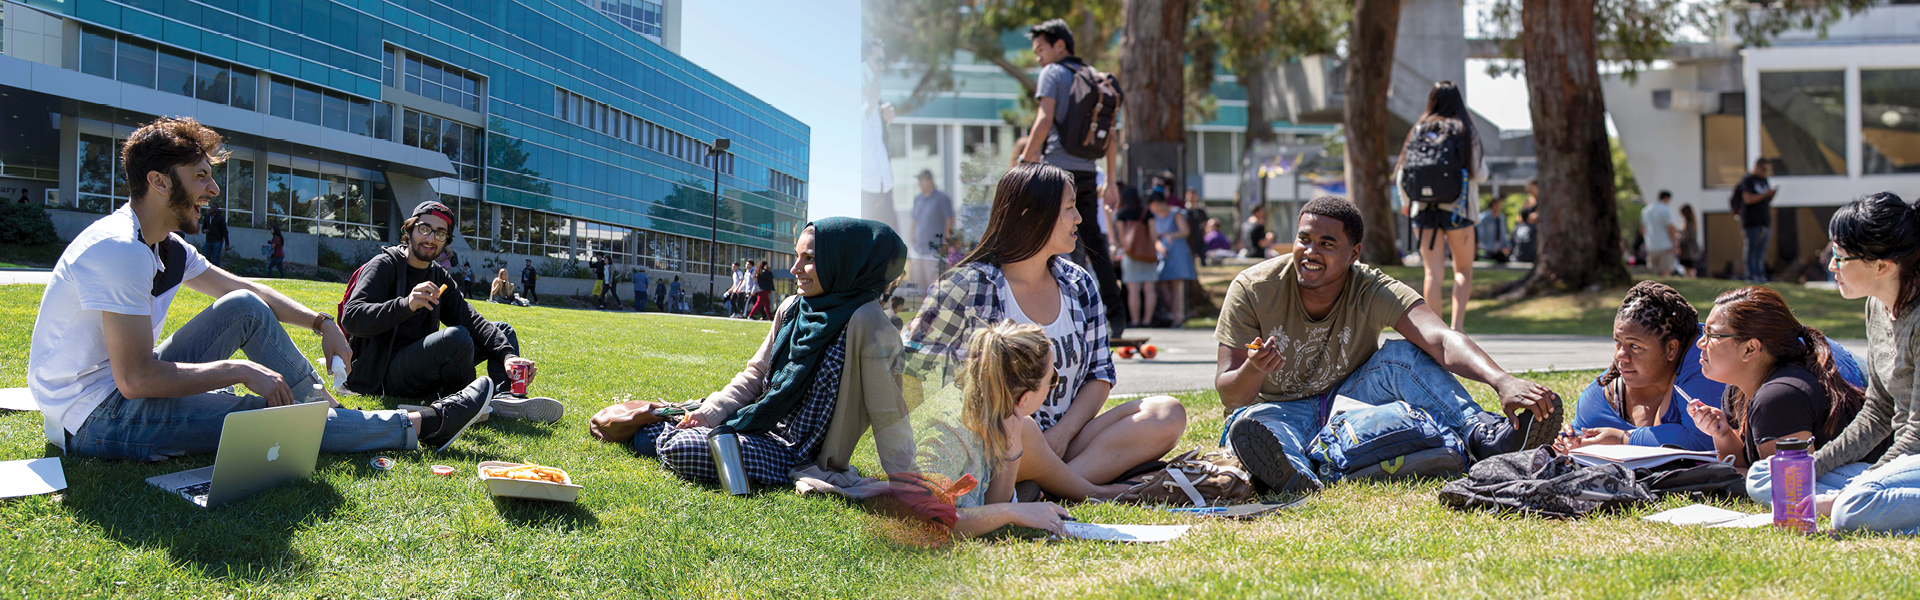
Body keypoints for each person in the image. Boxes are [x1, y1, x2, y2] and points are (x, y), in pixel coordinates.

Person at [26, 117, 491, 460]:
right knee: (267, 416)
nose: (214, 190)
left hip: (119, 389)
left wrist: (321, 322)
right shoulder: (120, 249)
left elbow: (245, 292)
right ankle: (422, 425)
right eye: (202, 177)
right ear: (158, 182)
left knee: (243, 305)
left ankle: (324, 407)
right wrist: (239, 371)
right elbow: (136, 381)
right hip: (94, 416)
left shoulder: (164, 245)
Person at [1213, 195, 1562, 493]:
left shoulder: (1370, 287)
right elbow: (1231, 394)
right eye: (1304, 239)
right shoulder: (1253, 288)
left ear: (1354, 253)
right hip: (1275, 409)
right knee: (1255, 427)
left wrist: (1501, 380)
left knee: (1401, 355)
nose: (1310, 252)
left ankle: (1483, 436)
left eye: (1326, 243)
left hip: (1347, 402)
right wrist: (1253, 368)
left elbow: (1440, 338)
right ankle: (1295, 474)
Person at [905, 162, 1187, 486]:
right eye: (1069, 208)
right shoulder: (965, 286)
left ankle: (1045, 485)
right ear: (1031, 215)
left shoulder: (1079, 283)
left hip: (1066, 442)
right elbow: (914, 369)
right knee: (1022, 431)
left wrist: (1062, 435)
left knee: (1167, 413)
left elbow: (1100, 374)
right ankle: (1078, 485)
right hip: (994, 443)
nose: (1079, 218)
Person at [590, 218, 916, 488]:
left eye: (810, 259)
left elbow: (890, 415)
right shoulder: (792, 309)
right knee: (680, 429)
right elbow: (755, 376)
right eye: (796, 256)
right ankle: (668, 425)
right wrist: (710, 412)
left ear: (844, 264)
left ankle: (662, 432)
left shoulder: (871, 325)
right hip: (758, 423)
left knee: (681, 447)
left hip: (795, 453)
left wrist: (908, 481)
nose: (795, 268)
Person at [1743, 192, 1920, 535]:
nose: (1830, 266)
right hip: (1904, 465)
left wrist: (1858, 487)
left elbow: (1917, 432)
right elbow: (1879, 411)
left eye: (1839, 257)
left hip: (1913, 456)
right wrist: (1811, 466)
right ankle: (1856, 499)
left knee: (1852, 508)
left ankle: (1851, 502)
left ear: (1882, 266)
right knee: (1768, 478)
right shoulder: (1877, 307)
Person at [1559, 282, 1864, 453]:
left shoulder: (1768, 390)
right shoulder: (1735, 386)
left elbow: (1780, 483)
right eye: (1617, 343)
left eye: (1635, 346)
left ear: (1672, 349)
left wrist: (1626, 439)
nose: (1620, 357)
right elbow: (1738, 458)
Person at [339, 201, 560, 423]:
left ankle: (505, 399)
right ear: (410, 229)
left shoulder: (438, 276)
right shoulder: (384, 266)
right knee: (456, 338)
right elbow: (352, 318)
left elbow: (471, 319)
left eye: (440, 234)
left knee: (502, 331)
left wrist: (508, 356)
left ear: (446, 241)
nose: (431, 238)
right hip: (385, 373)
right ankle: (464, 404)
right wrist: (406, 305)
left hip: (423, 365)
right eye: (425, 228)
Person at [916, 322, 1132, 537]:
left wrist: (1011, 454)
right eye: (1052, 380)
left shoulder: (1001, 418)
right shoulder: (948, 432)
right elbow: (930, 521)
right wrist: (1012, 511)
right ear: (1026, 398)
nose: (1052, 386)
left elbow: (993, 507)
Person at [1017, 18, 1125, 340]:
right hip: (1089, 172)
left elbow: (1044, 117)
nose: (1038, 57)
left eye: (1040, 49)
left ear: (1059, 45)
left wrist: (1025, 160)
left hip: (1057, 173)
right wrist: (1114, 181)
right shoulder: (1093, 77)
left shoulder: (1052, 74)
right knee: (1093, 242)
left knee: (1047, 241)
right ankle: (1116, 316)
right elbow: (1112, 135)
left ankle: (1053, 315)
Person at [1686, 286, 1869, 469]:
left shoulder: (1780, 396)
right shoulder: (1737, 390)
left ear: (1750, 348)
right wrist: (1722, 433)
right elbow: (1742, 466)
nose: (1701, 343)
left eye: (1711, 334)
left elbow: (1792, 484)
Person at [1397, 81, 1486, 332]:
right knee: (1463, 270)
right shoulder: (1464, 129)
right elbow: (1479, 172)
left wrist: (1407, 203)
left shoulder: (1418, 129)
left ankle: (1436, 333)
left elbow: (1403, 172)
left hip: (1423, 211)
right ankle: (1456, 330)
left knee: (1432, 273)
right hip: (1458, 210)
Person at [1113, 185, 1159, 329]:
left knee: (1133, 290)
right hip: (1148, 255)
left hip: (1131, 254)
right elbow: (1153, 235)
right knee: (1149, 289)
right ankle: (1147, 320)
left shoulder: (1121, 214)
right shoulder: (1147, 213)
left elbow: (1122, 238)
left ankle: (1135, 320)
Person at [1150, 191, 1196, 327]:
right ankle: (1171, 312)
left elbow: (1185, 231)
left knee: (1177, 285)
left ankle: (1178, 317)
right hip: (1164, 253)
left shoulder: (1175, 213)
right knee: (1162, 283)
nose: (1156, 209)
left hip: (1178, 251)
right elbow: (1155, 237)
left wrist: (1171, 235)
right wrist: (1159, 247)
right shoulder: (1155, 217)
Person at [910, 169, 955, 291]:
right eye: (919, 180)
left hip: (933, 250)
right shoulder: (917, 199)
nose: (919, 183)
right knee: (917, 287)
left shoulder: (942, 198)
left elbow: (949, 221)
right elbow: (913, 221)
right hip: (918, 250)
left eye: (922, 180)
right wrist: (911, 242)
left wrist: (946, 244)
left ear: (930, 180)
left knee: (934, 287)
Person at [1736, 159, 1779, 282]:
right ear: (1757, 166)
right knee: (1751, 250)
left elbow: (1766, 200)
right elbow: (1748, 199)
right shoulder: (1748, 179)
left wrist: (1771, 194)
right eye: (1764, 169)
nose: (1765, 172)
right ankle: (1751, 275)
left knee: (1761, 251)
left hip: (1764, 221)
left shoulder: (1764, 180)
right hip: (1751, 222)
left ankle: (1760, 274)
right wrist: (1765, 194)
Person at [1642, 190, 1679, 277]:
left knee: (1653, 274)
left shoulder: (1646, 210)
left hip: (1651, 246)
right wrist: (1675, 244)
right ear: (1667, 198)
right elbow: (1670, 229)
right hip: (1665, 246)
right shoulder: (1666, 210)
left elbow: (1642, 229)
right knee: (1666, 271)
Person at [1474, 195, 1510, 263]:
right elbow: (1477, 231)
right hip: (1486, 247)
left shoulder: (1501, 218)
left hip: (1498, 248)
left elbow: (1504, 233)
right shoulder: (1484, 217)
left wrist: (1507, 246)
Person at [1677, 204, 1701, 278]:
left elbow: (1687, 237)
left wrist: (1678, 236)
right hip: (1689, 250)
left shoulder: (1689, 224)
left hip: (1688, 250)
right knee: (1688, 268)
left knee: (1689, 269)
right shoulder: (1691, 223)